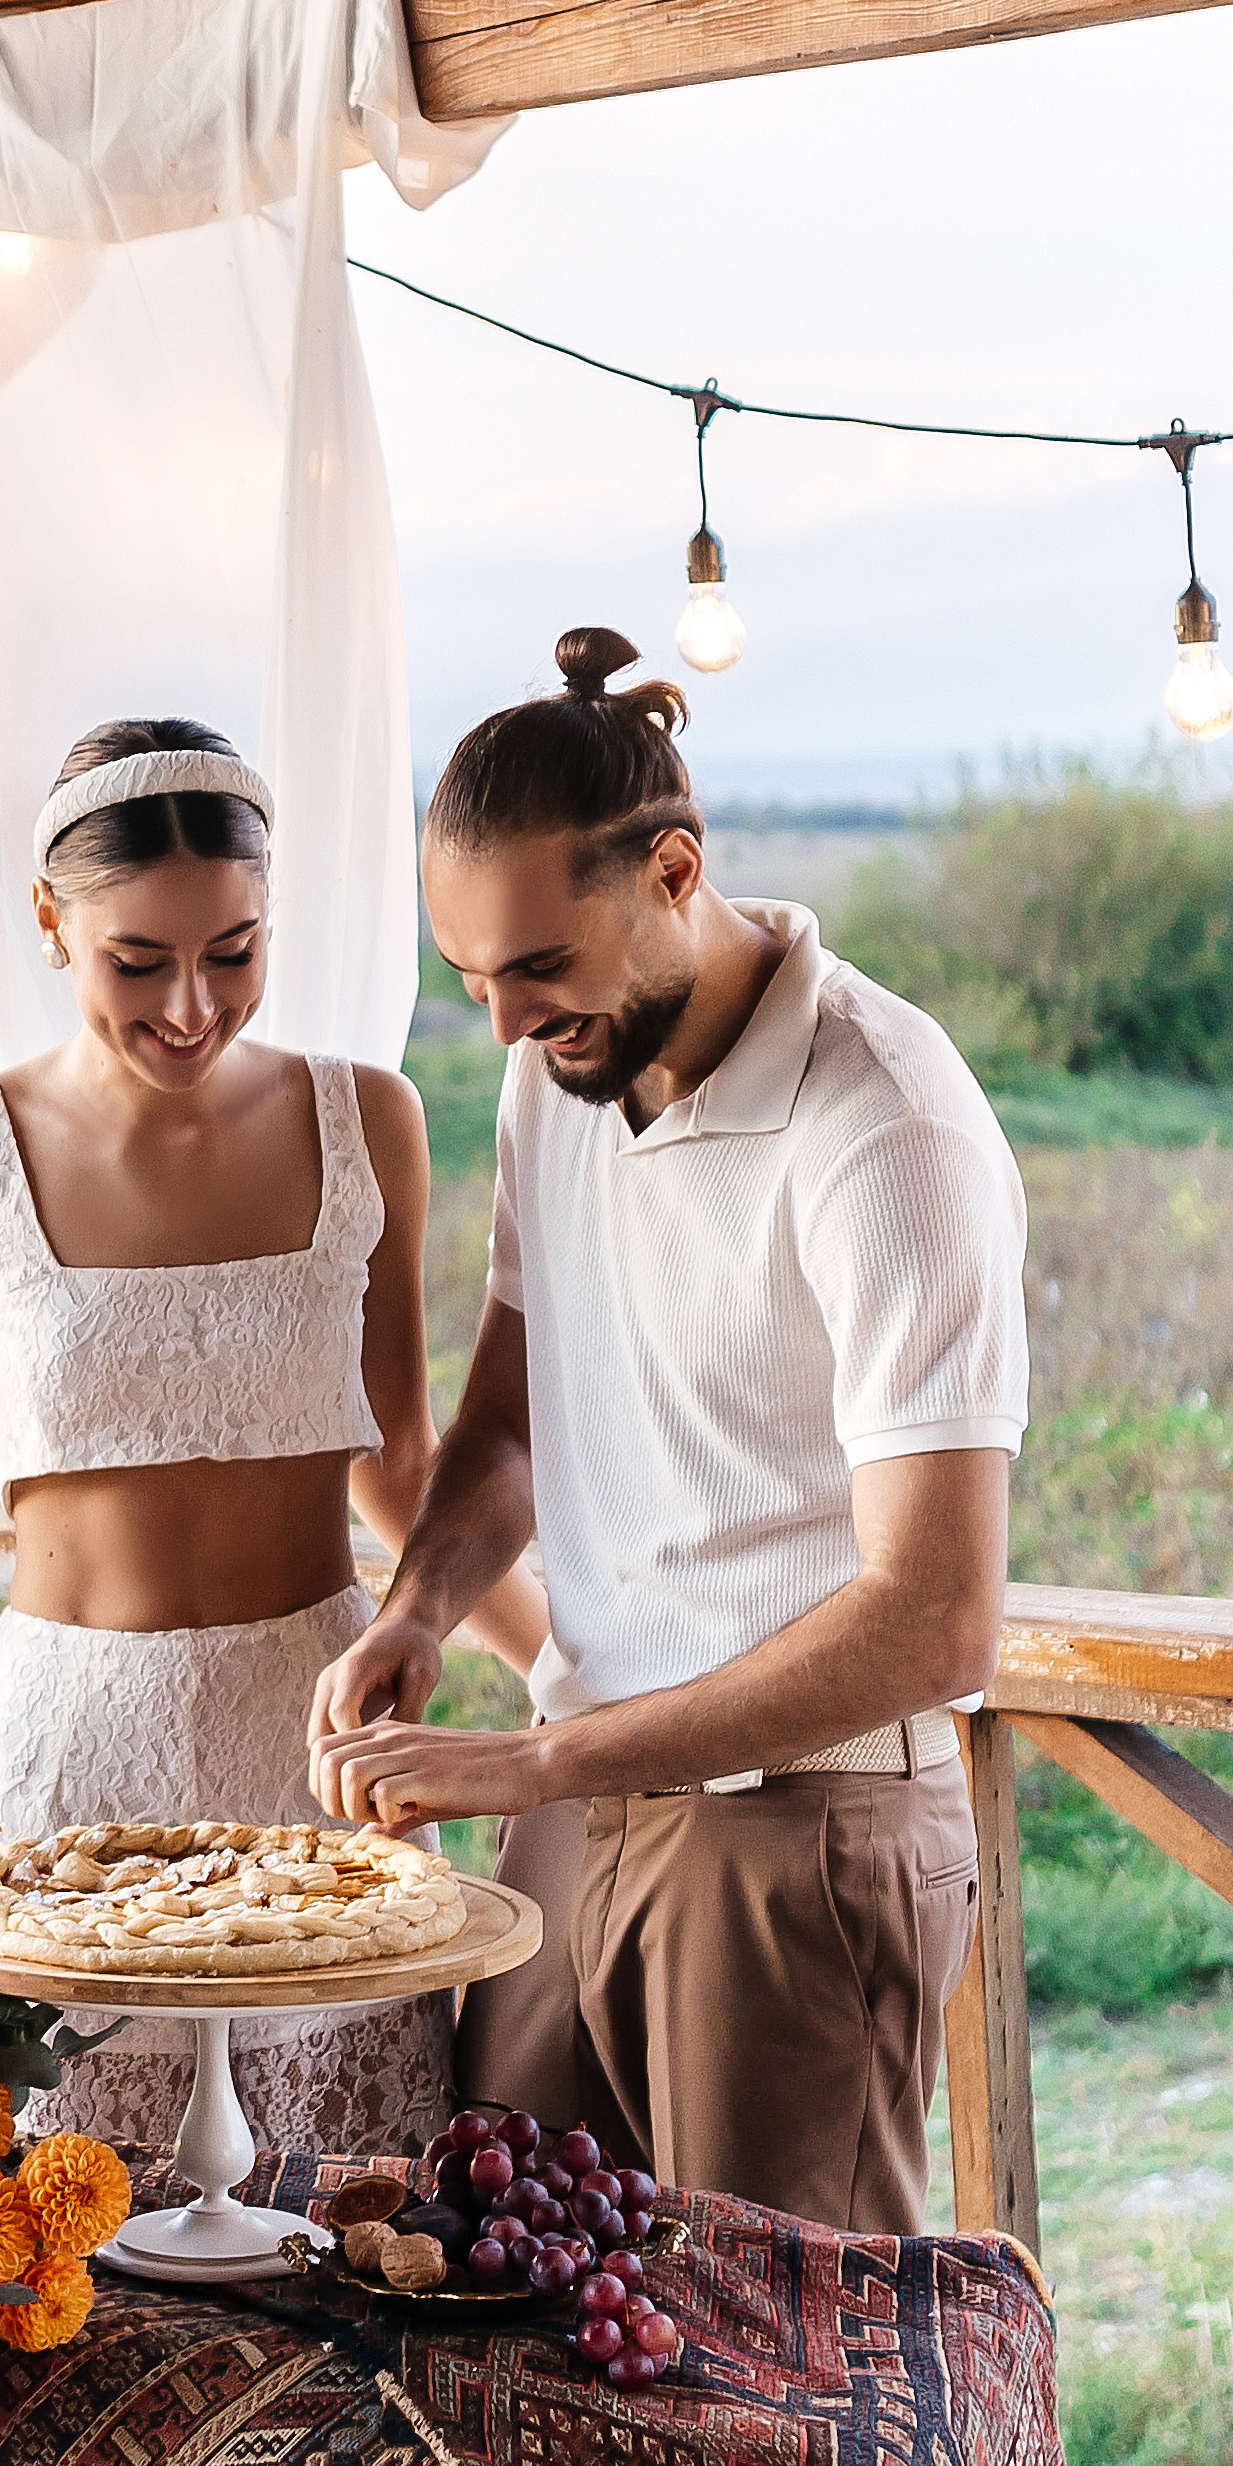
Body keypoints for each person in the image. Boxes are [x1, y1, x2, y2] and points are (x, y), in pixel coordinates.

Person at [307, 629, 1027, 2235]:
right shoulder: (555, 1077)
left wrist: (534, 1752)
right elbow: (505, 1433)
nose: (501, 1022)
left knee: (778, 2387)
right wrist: (422, 1610)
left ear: (675, 871)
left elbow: (936, 1613)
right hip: (575, 1812)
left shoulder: (887, 1122)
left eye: (538, 970)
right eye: (470, 980)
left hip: (802, 1837)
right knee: (513, 2320)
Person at [0, 714, 547, 2153]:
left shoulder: (371, 1121)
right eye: (138, 962)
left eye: (234, 952)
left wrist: (567, 1673)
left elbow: (399, 1458)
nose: (191, 1004)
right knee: (63, 2232)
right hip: (58, 1757)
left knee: (346, 2222)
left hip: (314, 1740)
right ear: (51, 924)